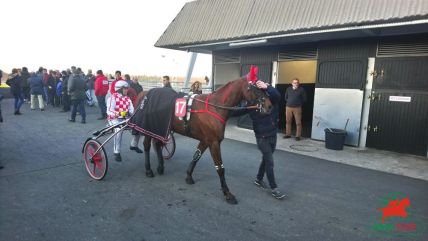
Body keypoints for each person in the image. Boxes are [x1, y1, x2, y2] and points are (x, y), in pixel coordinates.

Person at [248, 80, 285, 200]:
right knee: (270, 162)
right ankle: (274, 188)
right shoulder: (252, 104)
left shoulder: (271, 99)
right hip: (262, 137)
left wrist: (267, 86)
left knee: (265, 159)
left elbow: (277, 95)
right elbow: (240, 110)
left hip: (273, 135)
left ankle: (258, 179)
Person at [106, 80, 135, 162]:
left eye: (127, 88)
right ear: (119, 89)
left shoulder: (128, 98)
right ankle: (117, 152)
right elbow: (109, 111)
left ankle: (134, 145)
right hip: (114, 119)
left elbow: (131, 110)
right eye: (125, 88)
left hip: (125, 119)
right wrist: (119, 113)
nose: (127, 90)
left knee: (138, 126)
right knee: (119, 130)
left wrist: (132, 113)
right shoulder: (112, 97)